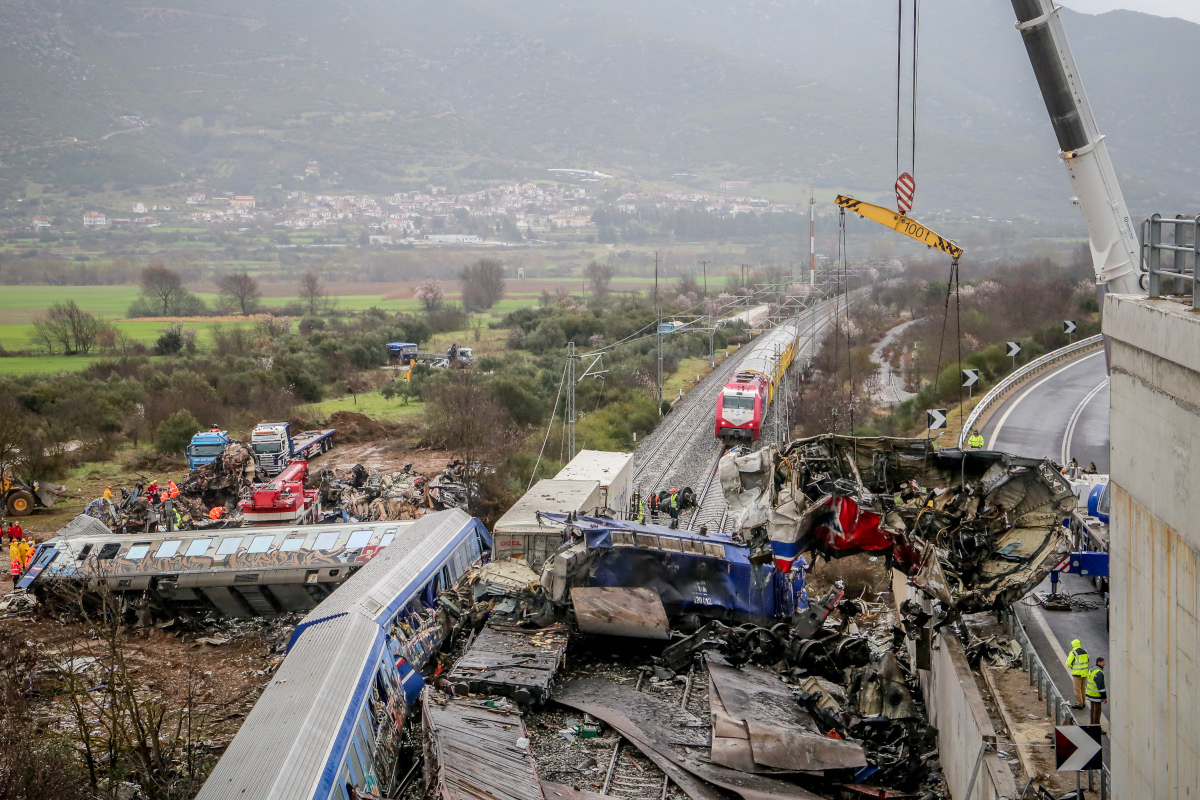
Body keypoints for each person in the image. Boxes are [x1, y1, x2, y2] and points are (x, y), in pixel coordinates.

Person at [1065, 638, 1090, 709]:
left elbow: (1069, 663)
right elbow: (1088, 660)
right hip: (1085, 673)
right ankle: (1083, 702)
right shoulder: (1085, 651)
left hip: (1077, 674)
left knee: (1077, 689)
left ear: (1073, 645)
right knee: (1083, 688)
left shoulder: (1073, 653)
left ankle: (1079, 703)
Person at [1087, 657, 1107, 724]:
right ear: (1099, 662)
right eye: (1103, 662)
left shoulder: (1092, 669)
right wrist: (1104, 697)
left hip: (1090, 694)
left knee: (1093, 711)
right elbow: (1101, 687)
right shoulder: (1099, 673)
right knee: (1097, 712)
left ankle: (1092, 726)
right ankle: (1096, 728)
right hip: (1096, 696)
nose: (1105, 664)